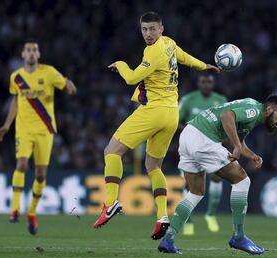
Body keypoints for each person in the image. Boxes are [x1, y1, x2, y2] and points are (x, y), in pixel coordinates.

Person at [93, 11, 220, 241]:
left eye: (152, 29)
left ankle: (110, 203)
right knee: (153, 166)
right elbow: (184, 57)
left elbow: (131, 78)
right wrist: (204, 66)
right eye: (144, 29)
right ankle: (162, 216)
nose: (148, 34)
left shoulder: (153, 51)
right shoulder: (169, 43)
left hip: (154, 111)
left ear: (161, 28)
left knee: (111, 152)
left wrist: (120, 64)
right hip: (172, 114)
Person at [158, 95, 277, 254]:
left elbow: (238, 140)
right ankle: (238, 237)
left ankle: (168, 240)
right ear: (269, 109)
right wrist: (235, 146)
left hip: (189, 134)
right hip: (204, 138)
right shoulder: (254, 111)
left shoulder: (251, 108)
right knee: (242, 181)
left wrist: (251, 155)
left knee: (195, 192)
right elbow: (226, 116)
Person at [0, 40, 77, 235]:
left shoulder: (49, 72)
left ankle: (31, 212)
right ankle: (14, 210)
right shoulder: (16, 77)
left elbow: (67, 86)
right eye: (28, 50)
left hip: (45, 130)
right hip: (23, 130)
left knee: (40, 175)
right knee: (21, 165)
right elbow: (16, 101)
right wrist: (7, 125)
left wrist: (70, 86)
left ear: (38, 55)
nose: (31, 53)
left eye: (35, 50)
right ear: (23, 55)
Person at [179, 73, 227, 235]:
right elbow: (176, 121)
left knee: (216, 177)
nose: (206, 84)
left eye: (209, 82)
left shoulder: (221, 100)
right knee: (189, 184)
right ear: (198, 83)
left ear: (213, 84)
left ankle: (211, 214)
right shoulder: (188, 99)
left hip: (212, 146)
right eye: (203, 81)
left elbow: (228, 122)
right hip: (192, 147)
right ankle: (188, 220)